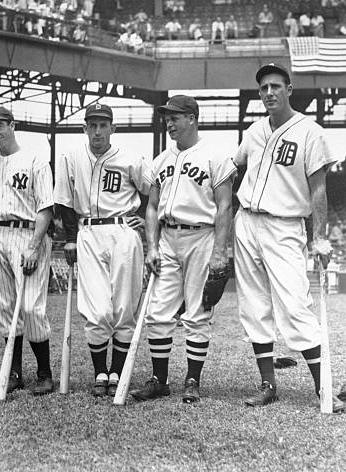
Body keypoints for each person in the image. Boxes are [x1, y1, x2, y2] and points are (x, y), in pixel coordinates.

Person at [234, 63, 344, 413]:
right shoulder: (253, 131)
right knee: (253, 305)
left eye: (276, 86)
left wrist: (320, 237)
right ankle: (268, 384)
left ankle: (322, 387)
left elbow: (318, 190)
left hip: (284, 225)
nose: (269, 93)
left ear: (289, 89)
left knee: (295, 305)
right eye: (264, 87)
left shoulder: (310, 131)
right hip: (247, 220)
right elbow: (233, 166)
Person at [128, 95, 235, 404]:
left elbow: (225, 207)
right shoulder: (161, 159)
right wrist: (151, 246)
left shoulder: (215, 156)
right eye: (167, 117)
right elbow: (151, 208)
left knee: (198, 313)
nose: (169, 123)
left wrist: (220, 251)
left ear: (192, 118)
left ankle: (192, 380)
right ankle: (159, 380)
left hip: (201, 237)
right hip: (168, 237)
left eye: (175, 117)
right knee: (158, 311)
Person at [54, 103, 149, 397]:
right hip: (87, 232)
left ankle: (117, 372)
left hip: (123, 232)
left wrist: (145, 217)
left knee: (124, 306)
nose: (98, 131)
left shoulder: (131, 158)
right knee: (96, 309)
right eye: (92, 125)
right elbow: (65, 201)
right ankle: (100, 373)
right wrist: (70, 238)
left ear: (113, 128)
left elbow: (154, 188)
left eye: (103, 125)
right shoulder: (70, 157)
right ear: (85, 128)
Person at [0, 106, 55, 396]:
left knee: (32, 307)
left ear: (12, 125)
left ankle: (45, 373)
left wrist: (34, 246)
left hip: (27, 233)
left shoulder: (35, 160)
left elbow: (46, 207)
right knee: (7, 308)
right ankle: (15, 372)